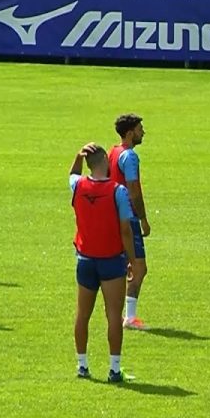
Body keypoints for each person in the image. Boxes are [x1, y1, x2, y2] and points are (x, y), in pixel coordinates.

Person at [70, 144, 138, 383]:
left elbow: (72, 174)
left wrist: (78, 157)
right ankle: (114, 369)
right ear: (106, 163)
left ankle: (82, 365)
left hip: (85, 259)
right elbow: (125, 230)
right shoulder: (118, 191)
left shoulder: (78, 185)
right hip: (111, 260)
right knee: (113, 315)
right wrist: (132, 259)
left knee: (82, 314)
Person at [108, 113, 151, 331]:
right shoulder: (130, 156)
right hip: (129, 218)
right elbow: (133, 189)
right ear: (130, 132)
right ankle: (130, 318)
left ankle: (120, 315)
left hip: (114, 216)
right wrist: (143, 219)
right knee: (139, 267)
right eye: (140, 129)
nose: (143, 132)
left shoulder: (113, 152)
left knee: (125, 267)